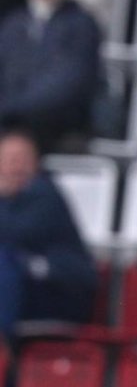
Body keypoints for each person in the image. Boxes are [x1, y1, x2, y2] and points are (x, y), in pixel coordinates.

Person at [0, 128, 96, 343]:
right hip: (24, 289)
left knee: (4, 262)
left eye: (21, 159)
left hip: (60, 290)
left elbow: (18, 232)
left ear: (35, 163)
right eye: (9, 160)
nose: (16, 166)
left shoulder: (45, 193)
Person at [0, 0, 101, 151]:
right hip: (8, 119)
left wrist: (11, 108)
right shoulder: (13, 24)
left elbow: (68, 83)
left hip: (56, 124)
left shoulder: (82, 25)